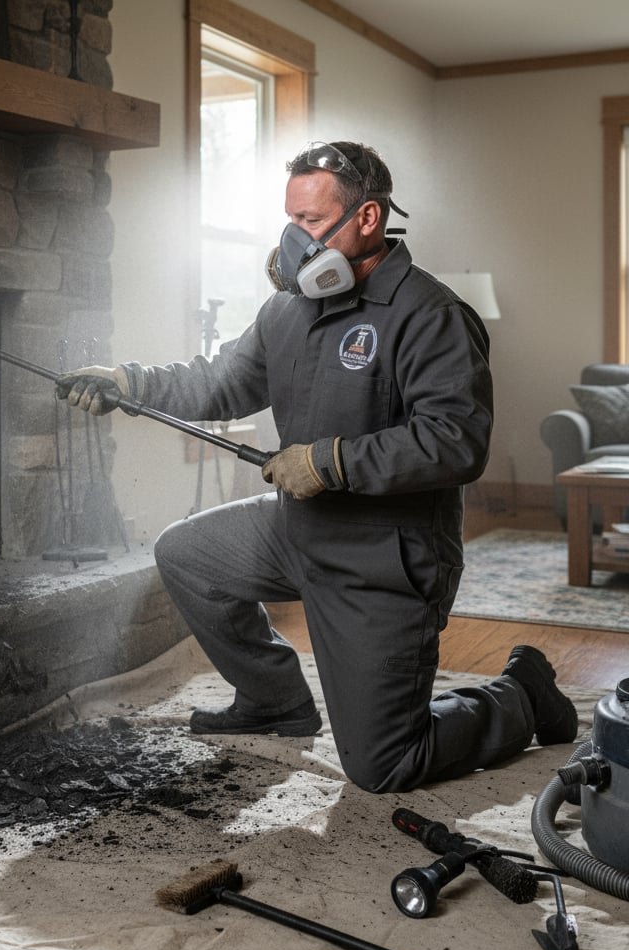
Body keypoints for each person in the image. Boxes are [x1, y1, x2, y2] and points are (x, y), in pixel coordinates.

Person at [55, 140, 577, 793]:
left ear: (367, 219)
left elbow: (456, 441)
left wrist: (329, 463)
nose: (294, 238)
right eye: (290, 217)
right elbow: (219, 385)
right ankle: (275, 700)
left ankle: (522, 693)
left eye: (310, 221)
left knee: (385, 765)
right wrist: (127, 381)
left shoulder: (432, 315)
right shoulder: (287, 310)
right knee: (187, 554)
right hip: (298, 529)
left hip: (386, 557)